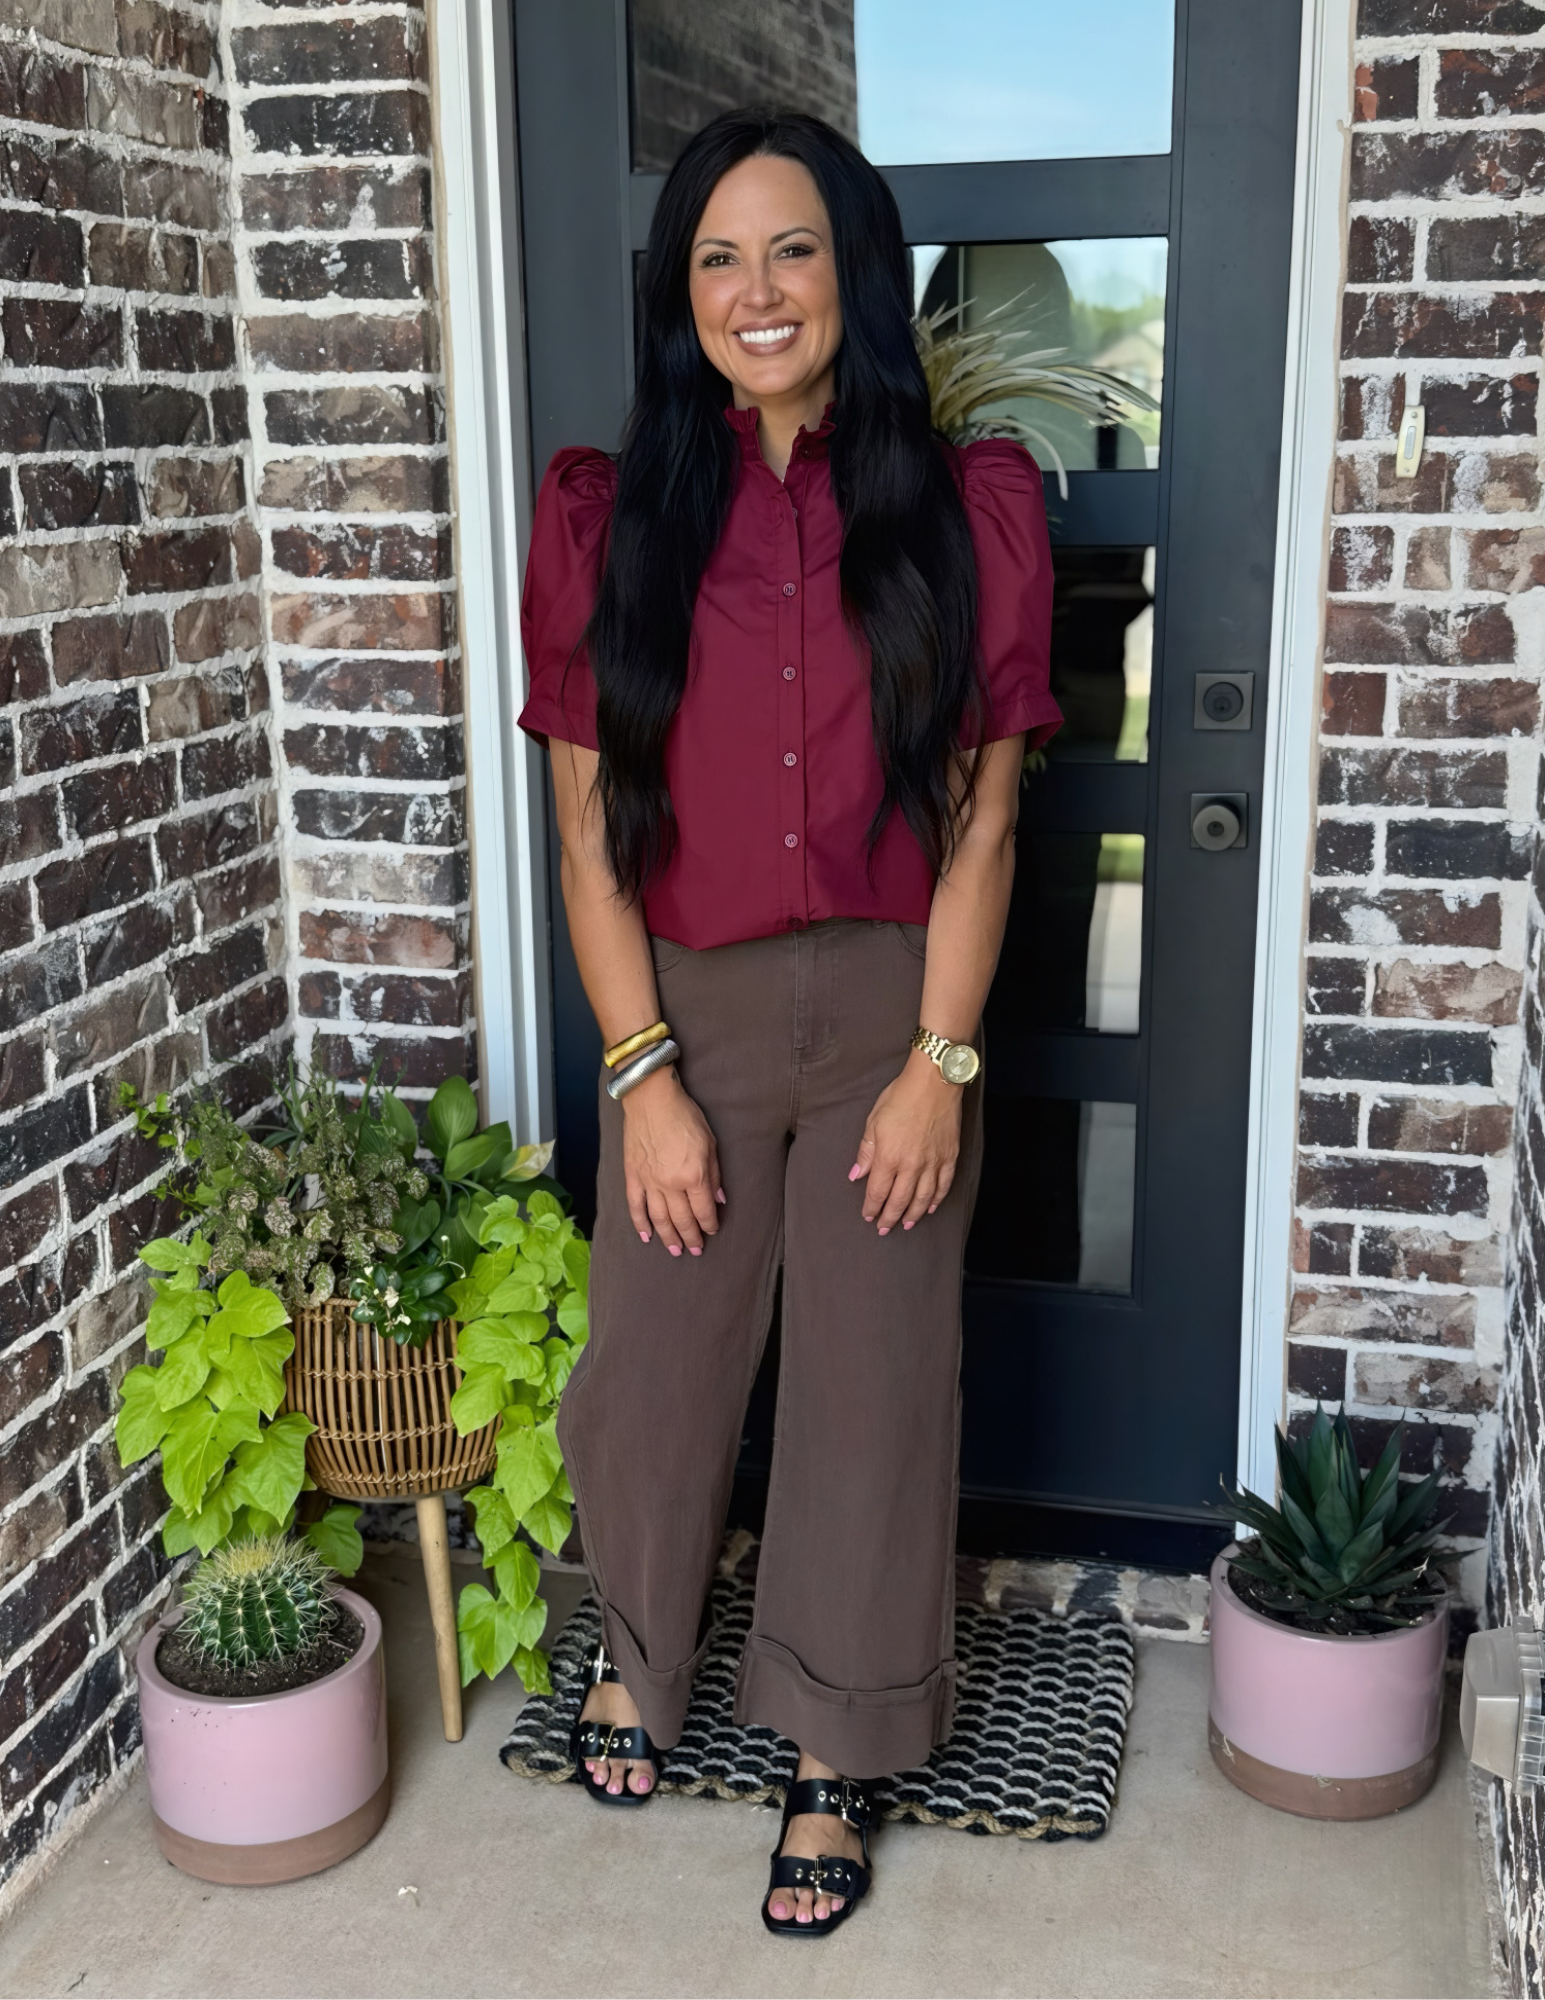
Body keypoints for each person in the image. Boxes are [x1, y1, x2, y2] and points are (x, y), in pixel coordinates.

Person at [517, 105, 1058, 1937]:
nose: (759, 290)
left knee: (873, 1384)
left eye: (795, 248)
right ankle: (642, 1654)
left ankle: (837, 1743)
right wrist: (642, 1075)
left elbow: (984, 819)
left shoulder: (968, 509)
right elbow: (588, 836)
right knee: (653, 1373)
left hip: (900, 1001)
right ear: (681, 292)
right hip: (691, 1010)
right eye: (720, 256)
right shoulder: (606, 519)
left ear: (856, 273)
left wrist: (941, 1067)